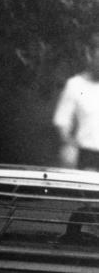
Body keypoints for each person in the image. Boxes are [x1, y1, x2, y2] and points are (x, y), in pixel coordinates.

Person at [53, 31, 99, 171]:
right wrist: (69, 145)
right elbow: (62, 121)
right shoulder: (74, 85)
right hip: (86, 154)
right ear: (89, 54)